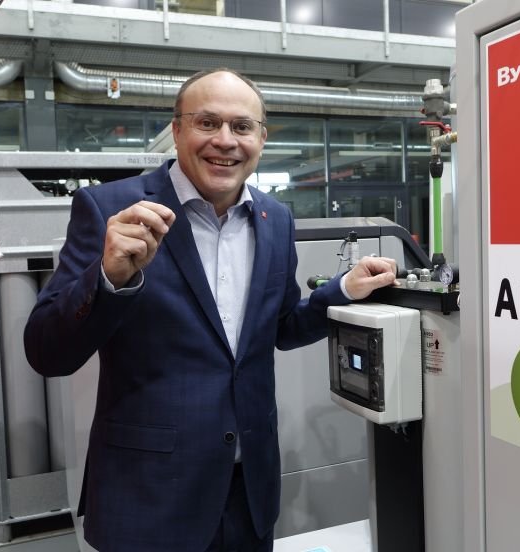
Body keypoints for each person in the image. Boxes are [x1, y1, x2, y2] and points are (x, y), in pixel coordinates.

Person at [24, 68, 398, 552]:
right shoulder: (111, 209)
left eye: (242, 127)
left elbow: (280, 328)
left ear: (261, 139)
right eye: (207, 123)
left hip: (247, 491)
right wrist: (108, 277)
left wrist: (343, 289)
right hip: (150, 495)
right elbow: (46, 353)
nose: (226, 141)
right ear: (177, 130)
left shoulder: (275, 218)